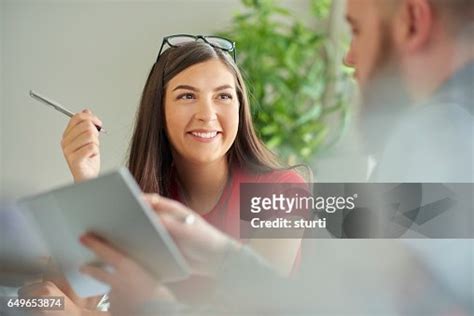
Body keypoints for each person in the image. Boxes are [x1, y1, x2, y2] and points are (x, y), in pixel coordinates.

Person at [77, 0, 473, 315]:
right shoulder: (433, 144)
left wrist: (152, 304)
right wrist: (222, 254)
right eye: (185, 96)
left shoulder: (441, 143)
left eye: (356, 29)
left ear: (413, 23)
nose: (348, 58)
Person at [18, 35, 308, 314]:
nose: (207, 114)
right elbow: (63, 298)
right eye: (186, 95)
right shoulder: (144, 193)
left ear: (240, 106)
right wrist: (86, 180)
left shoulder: (284, 193)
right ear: (159, 110)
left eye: (223, 96)